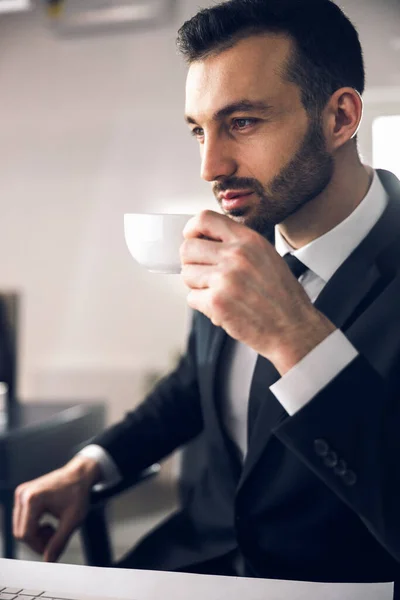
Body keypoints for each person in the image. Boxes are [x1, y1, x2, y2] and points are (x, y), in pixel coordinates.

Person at [13, 0, 400, 587]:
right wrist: (91, 466)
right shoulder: (241, 240)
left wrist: (298, 338)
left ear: (341, 118)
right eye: (200, 130)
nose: (210, 165)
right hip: (192, 562)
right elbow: (192, 386)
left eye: (242, 122)